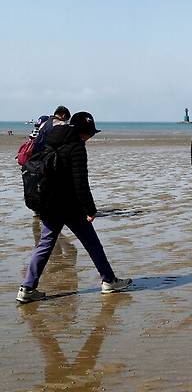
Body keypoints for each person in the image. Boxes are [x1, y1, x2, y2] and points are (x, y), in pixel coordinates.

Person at [16, 112, 132, 303]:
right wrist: (90, 209)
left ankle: (27, 288)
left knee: (44, 246)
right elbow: (80, 182)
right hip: (69, 206)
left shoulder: (50, 139)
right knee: (92, 243)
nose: (90, 138)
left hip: (47, 202)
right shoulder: (76, 147)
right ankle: (109, 281)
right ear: (83, 131)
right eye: (90, 133)